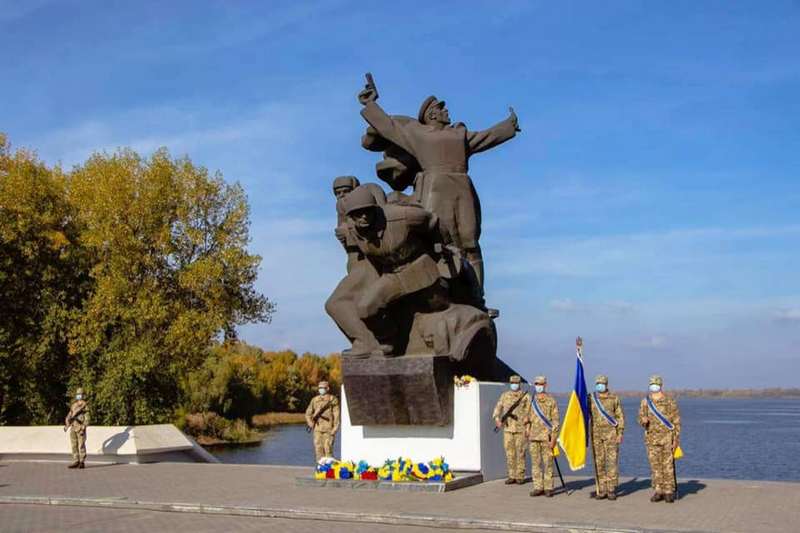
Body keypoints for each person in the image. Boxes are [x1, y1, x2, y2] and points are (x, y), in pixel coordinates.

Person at [358, 84, 519, 292]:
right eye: (442, 109)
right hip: (435, 188)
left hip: (462, 188)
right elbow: (389, 127)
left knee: (470, 240)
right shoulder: (417, 134)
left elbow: (487, 137)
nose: (447, 111)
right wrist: (370, 104)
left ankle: (478, 295)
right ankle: (440, 290)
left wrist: (508, 126)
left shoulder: (460, 135)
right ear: (432, 113)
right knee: (439, 237)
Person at [325, 185, 442, 357]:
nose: (363, 217)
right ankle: (386, 340)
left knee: (369, 305)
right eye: (358, 214)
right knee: (365, 308)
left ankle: (389, 342)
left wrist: (440, 247)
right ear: (350, 217)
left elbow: (432, 220)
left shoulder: (400, 217)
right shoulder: (352, 229)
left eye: (367, 211)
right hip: (391, 273)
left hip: (417, 267)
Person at [638, 375, 681, 503]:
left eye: (655, 384)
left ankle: (669, 492)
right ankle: (658, 490)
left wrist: (676, 439)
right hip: (651, 439)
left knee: (667, 466)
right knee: (655, 466)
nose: (653, 386)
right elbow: (640, 418)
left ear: (660, 385)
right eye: (651, 384)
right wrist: (643, 421)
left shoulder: (669, 401)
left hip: (667, 438)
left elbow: (676, 421)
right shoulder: (645, 402)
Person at [332, 176, 386, 273]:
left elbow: (382, 222)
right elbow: (346, 242)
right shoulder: (340, 206)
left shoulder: (371, 192)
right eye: (338, 193)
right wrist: (342, 236)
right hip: (356, 251)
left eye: (346, 191)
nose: (341, 195)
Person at [589, 374, 625, 500]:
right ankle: (602, 489)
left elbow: (620, 416)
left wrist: (620, 433)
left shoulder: (614, 398)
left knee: (611, 463)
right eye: (598, 383)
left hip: (611, 435)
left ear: (606, 384)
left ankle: (611, 489)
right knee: (599, 462)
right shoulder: (591, 398)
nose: (600, 385)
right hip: (596, 435)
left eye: (602, 383)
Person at [492, 375, 531, 484]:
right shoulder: (505, 396)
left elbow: (529, 413)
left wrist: (528, 428)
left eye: (516, 383)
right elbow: (498, 408)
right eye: (512, 382)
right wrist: (497, 419)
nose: (514, 384)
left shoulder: (526, 396)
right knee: (509, 453)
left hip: (521, 429)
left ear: (519, 384)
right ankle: (511, 475)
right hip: (508, 429)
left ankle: (520, 476)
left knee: (521, 452)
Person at [526, 375, 560, 497]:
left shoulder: (551, 401)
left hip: (547, 437)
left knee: (548, 463)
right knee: (535, 463)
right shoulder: (531, 400)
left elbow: (556, 421)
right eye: (536, 384)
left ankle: (548, 488)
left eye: (540, 384)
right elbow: (527, 418)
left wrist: (554, 438)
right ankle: (538, 487)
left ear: (545, 385)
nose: (538, 386)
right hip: (534, 437)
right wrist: (527, 430)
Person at [305, 381, 340, 462]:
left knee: (328, 450)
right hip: (317, 429)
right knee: (318, 450)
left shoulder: (332, 399)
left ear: (327, 388)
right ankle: (320, 469)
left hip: (329, 429)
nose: (321, 389)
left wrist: (335, 428)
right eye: (319, 388)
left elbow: (336, 415)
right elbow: (308, 413)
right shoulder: (315, 400)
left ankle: (328, 471)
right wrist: (311, 423)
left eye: (322, 388)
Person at [64, 387, 88, 469]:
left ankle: (82, 462)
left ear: (83, 395)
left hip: (80, 427)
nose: (79, 396)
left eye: (80, 394)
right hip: (73, 427)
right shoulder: (74, 405)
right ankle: (76, 460)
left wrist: (84, 426)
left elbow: (87, 417)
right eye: (78, 394)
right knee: (74, 445)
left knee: (81, 445)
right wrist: (67, 422)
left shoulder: (84, 405)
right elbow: (70, 414)